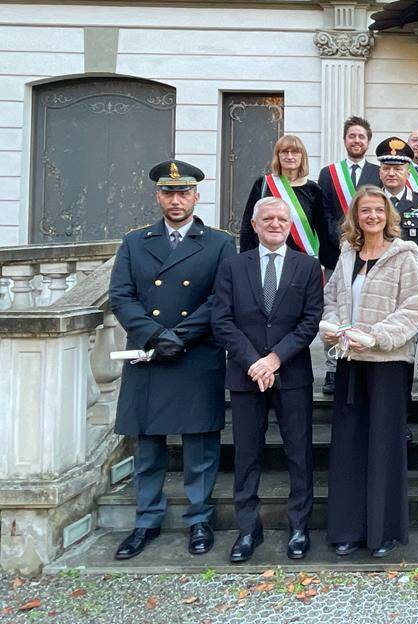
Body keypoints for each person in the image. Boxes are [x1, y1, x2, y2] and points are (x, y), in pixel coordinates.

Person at [108, 160, 236, 560]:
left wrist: (179, 335)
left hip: (195, 353)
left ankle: (199, 519)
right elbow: (121, 296)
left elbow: (221, 298)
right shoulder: (134, 242)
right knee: (148, 446)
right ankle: (146, 520)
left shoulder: (219, 243)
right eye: (168, 192)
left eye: (183, 193)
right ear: (157, 196)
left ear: (197, 196)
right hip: (149, 354)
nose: (176, 199)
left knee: (200, 446)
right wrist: (154, 335)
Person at [212, 197, 324, 562]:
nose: (275, 223)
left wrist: (275, 359)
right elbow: (222, 320)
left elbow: (310, 321)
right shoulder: (232, 266)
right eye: (267, 218)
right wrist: (254, 362)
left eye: (281, 218)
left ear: (290, 225)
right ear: (255, 225)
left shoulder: (307, 267)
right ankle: (248, 529)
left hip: (292, 374)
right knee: (246, 455)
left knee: (299, 453)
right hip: (245, 376)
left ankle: (298, 527)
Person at [322, 186, 418, 558]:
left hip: (387, 364)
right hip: (350, 361)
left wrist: (376, 337)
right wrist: (333, 328)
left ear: (388, 215)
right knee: (349, 450)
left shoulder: (404, 254)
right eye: (365, 211)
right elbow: (332, 298)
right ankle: (347, 530)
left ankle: (382, 533)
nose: (372, 217)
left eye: (378, 211)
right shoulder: (347, 254)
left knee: (383, 449)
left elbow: (414, 308)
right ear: (355, 216)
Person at [317, 115, 380, 394]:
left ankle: (364, 358)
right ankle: (333, 368)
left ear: (368, 141)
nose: (357, 141)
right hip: (337, 253)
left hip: (370, 253)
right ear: (345, 140)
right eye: (352, 136)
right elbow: (325, 212)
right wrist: (342, 239)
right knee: (335, 309)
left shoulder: (378, 172)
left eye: (362, 137)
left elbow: (379, 210)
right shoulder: (328, 173)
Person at [377, 137, 418, 390]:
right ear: (380, 171)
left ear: (408, 171)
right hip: (381, 281)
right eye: (386, 167)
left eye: (398, 168)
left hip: (417, 277)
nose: (392, 173)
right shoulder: (371, 201)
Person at [239, 134, 335, 269]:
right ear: (277, 156)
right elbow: (248, 226)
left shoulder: (313, 190)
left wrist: (327, 263)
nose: (289, 156)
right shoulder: (263, 184)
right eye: (284, 151)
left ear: (302, 156)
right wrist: (246, 260)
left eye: (295, 152)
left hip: (302, 262)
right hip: (266, 259)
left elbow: (323, 230)